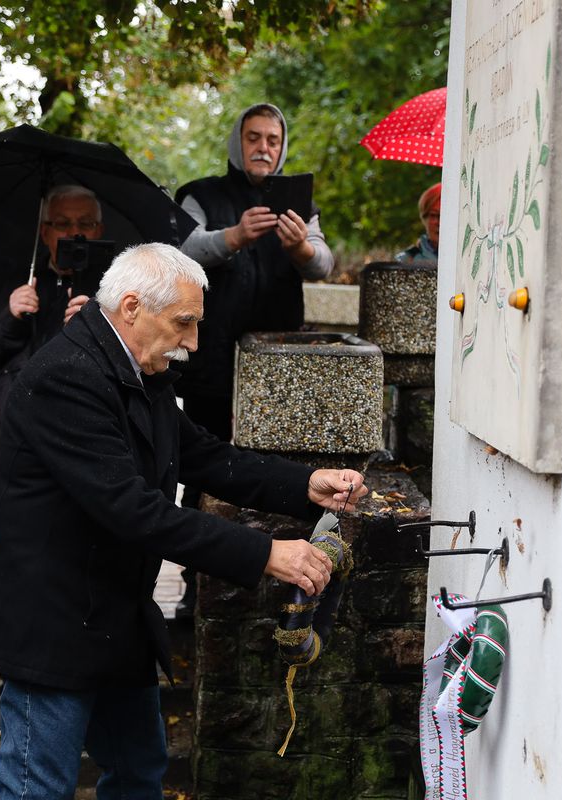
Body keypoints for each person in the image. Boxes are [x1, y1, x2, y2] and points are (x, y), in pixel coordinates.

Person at [0, 243, 367, 799]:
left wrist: (304, 484)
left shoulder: (137, 364)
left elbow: (203, 455)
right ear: (131, 307)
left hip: (115, 619)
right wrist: (265, 554)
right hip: (53, 630)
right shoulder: (66, 377)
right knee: (38, 788)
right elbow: (134, 511)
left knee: (138, 773)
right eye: (184, 323)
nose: (194, 343)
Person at [173, 103, 336, 615]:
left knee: (272, 469)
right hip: (211, 365)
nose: (263, 147)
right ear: (236, 142)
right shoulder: (202, 194)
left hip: (278, 368)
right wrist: (235, 236)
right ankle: (193, 589)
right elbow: (183, 249)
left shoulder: (296, 201)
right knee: (201, 473)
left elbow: (323, 262)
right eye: (253, 138)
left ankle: (268, 590)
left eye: (272, 139)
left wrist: (301, 251)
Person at [0, 184, 103, 533]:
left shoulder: (114, 290)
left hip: (77, 454)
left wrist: (98, 330)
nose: (74, 233)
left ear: (99, 230)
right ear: (44, 231)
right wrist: (8, 317)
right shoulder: (15, 280)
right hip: (11, 451)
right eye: (62, 223)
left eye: (85, 223)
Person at [396, 182, 441, 263]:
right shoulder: (406, 261)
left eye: (446, 217)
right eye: (434, 215)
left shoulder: (466, 256)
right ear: (424, 218)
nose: (440, 223)